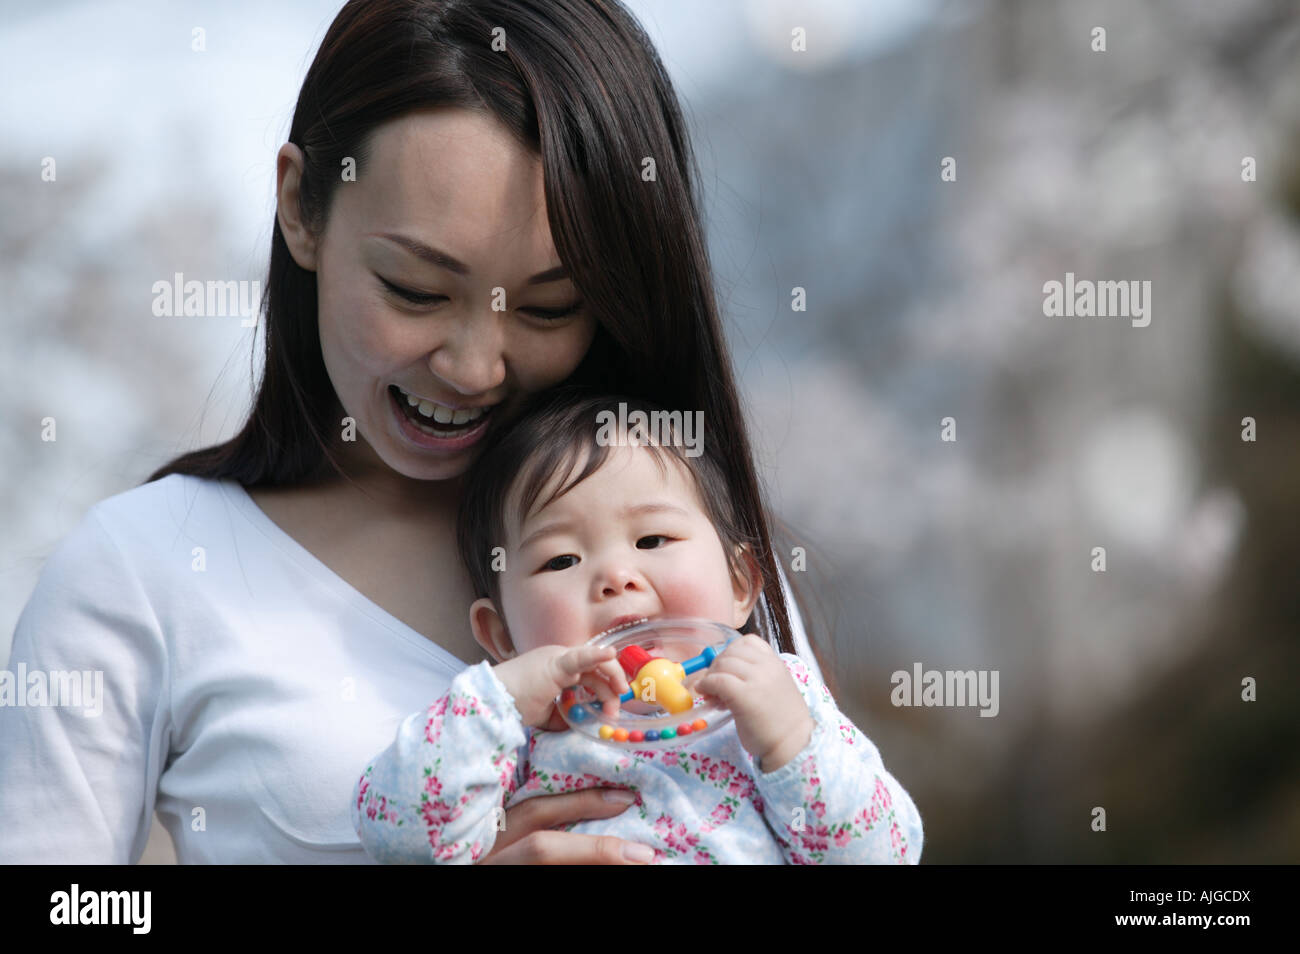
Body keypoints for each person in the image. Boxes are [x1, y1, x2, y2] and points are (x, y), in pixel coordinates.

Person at [0, 0, 830, 864]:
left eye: (548, 308)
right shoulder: (144, 570)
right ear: (299, 207)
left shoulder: (680, 554)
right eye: (416, 290)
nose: (474, 367)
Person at [352, 389, 923, 863]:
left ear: (742, 584)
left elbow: (887, 853)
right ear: (501, 636)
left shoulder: (778, 698)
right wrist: (499, 699)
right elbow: (396, 838)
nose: (616, 576)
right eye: (561, 561)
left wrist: (790, 744)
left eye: (653, 540)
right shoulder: (509, 736)